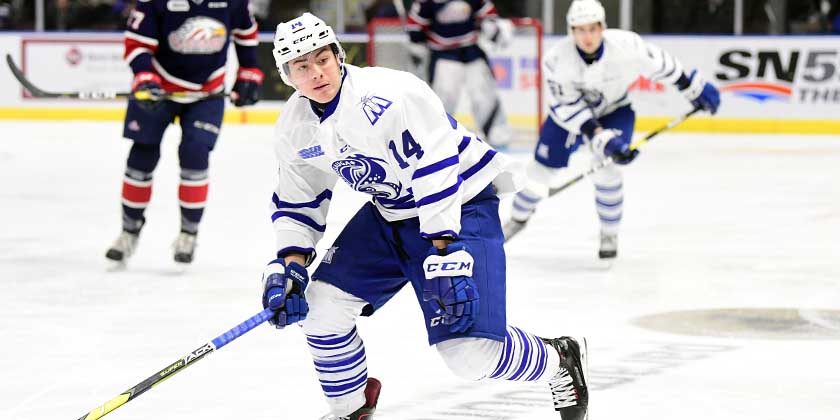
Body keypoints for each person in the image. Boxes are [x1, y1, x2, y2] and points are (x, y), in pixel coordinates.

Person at [261, 12, 589, 420]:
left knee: (470, 356)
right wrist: (288, 265)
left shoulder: (388, 95)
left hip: (460, 204)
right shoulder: (295, 127)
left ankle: (560, 357)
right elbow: (299, 198)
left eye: (323, 58)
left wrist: (445, 249)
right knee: (320, 308)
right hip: (391, 212)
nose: (317, 72)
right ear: (286, 75)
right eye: (302, 66)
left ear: (339, 55)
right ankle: (351, 409)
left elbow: (435, 168)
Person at [507, 0, 720, 259]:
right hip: (567, 121)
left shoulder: (625, 45)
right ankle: (517, 218)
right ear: (571, 31)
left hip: (615, 111)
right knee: (538, 171)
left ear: (602, 28)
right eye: (580, 29)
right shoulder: (555, 61)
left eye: (593, 29)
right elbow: (569, 108)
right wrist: (600, 137)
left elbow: (661, 64)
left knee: (607, 169)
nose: (587, 36)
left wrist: (692, 88)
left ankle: (609, 232)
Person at [105, 0, 263, 266]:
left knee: (195, 154)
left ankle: (188, 233)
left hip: (207, 92)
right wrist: (144, 76)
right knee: (141, 157)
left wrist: (249, 71)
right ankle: (129, 230)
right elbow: (137, 43)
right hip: (158, 89)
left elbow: (245, 33)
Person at [405, 0, 515, 148]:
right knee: (444, 97)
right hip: (443, 54)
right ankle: (436, 140)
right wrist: (416, 44)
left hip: (471, 50)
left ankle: (498, 136)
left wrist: (494, 28)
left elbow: (488, 16)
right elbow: (416, 28)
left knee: (484, 94)